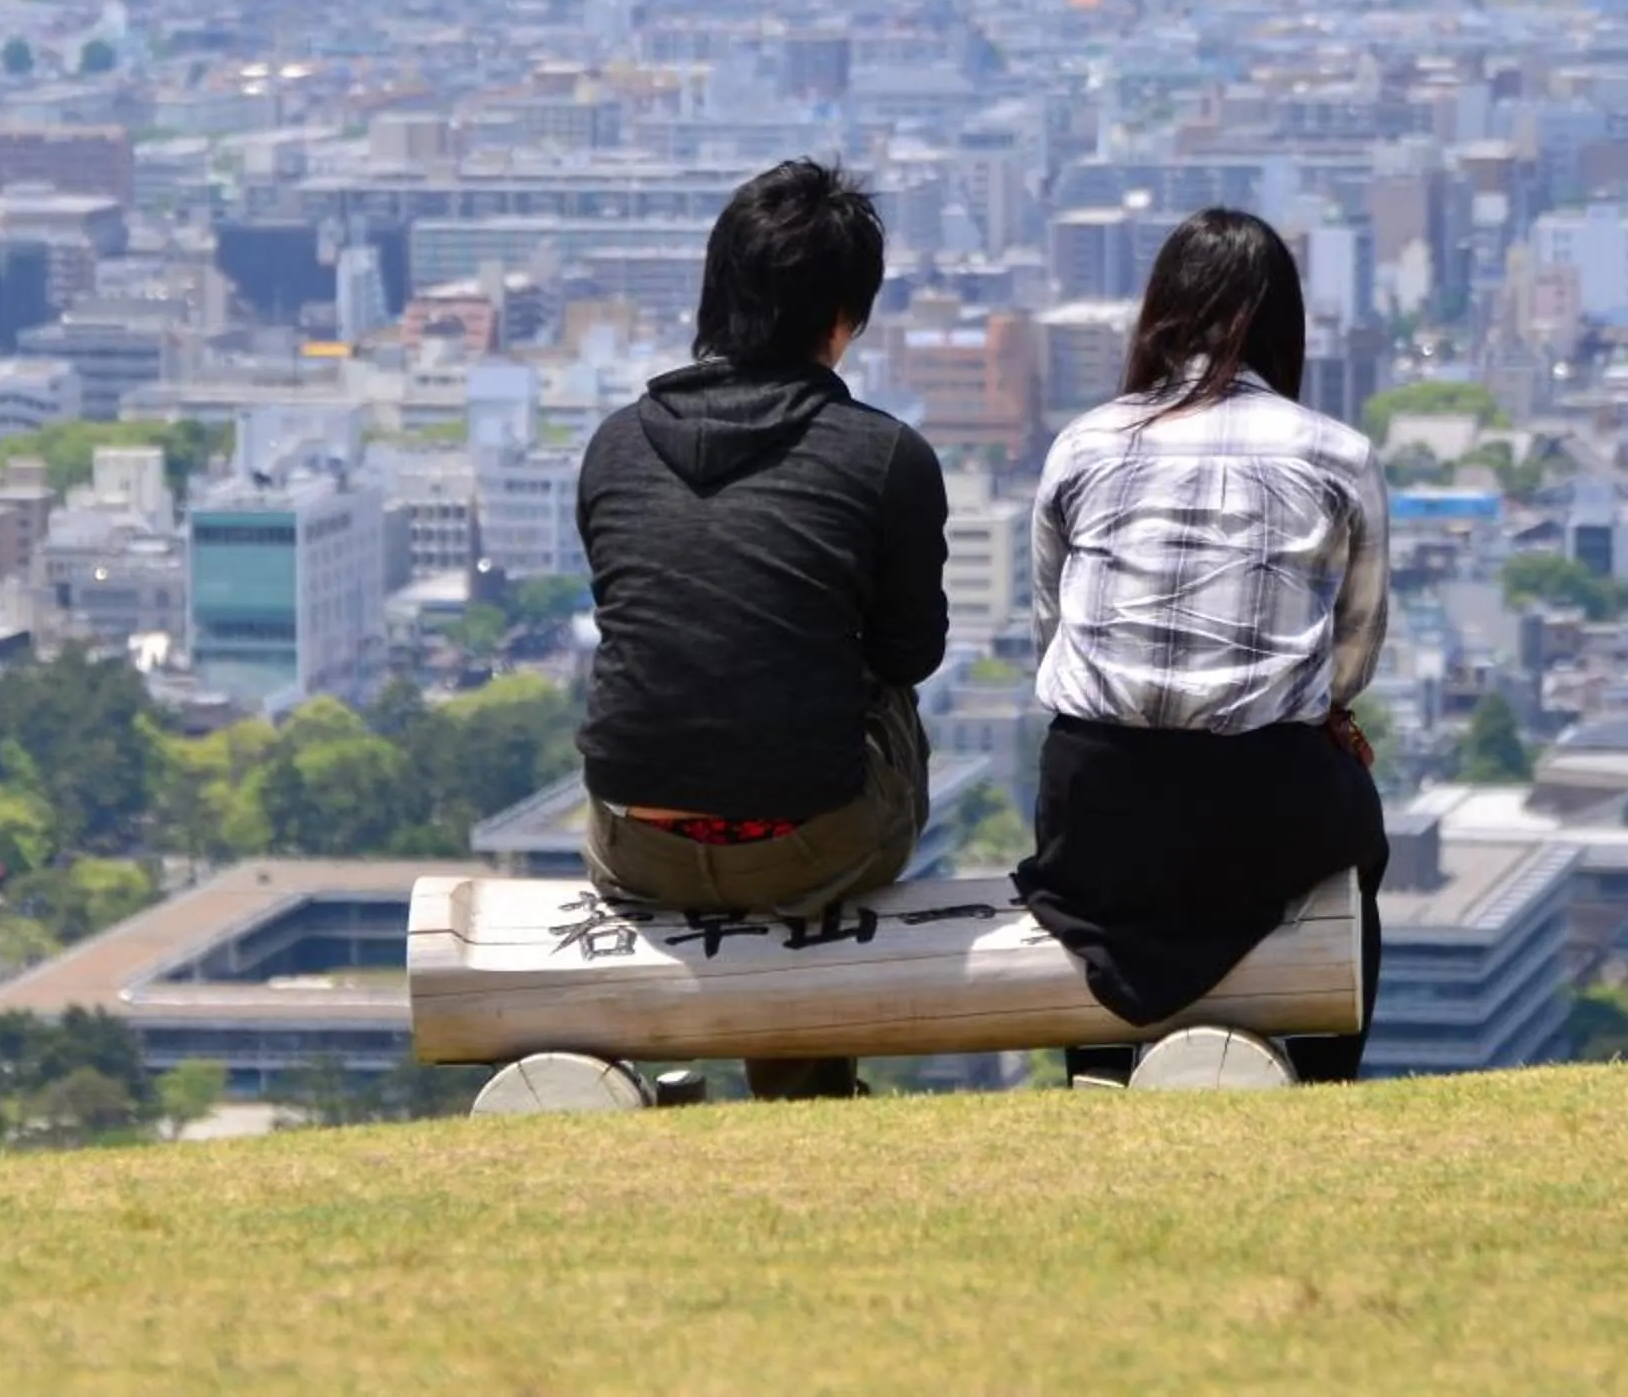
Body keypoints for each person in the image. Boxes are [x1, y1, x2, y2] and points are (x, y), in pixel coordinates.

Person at [575, 158, 950, 1099]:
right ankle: (808, 1094)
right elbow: (912, 655)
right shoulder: (885, 456)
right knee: (879, 707)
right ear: (843, 320)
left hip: (634, 839)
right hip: (814, 841)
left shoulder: (616, 444)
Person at [1014, 207, 1390, 1084]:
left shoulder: (1085, 444)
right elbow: (1352, 662)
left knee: (1104, 886)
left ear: (1158, 318)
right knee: (1358, 842)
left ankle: (1099, 1070)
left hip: (1097, 806)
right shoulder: (1337, 454)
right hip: (1263, 799)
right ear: (1283, 330)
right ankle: (1329, 1073)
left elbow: (1052, 641)